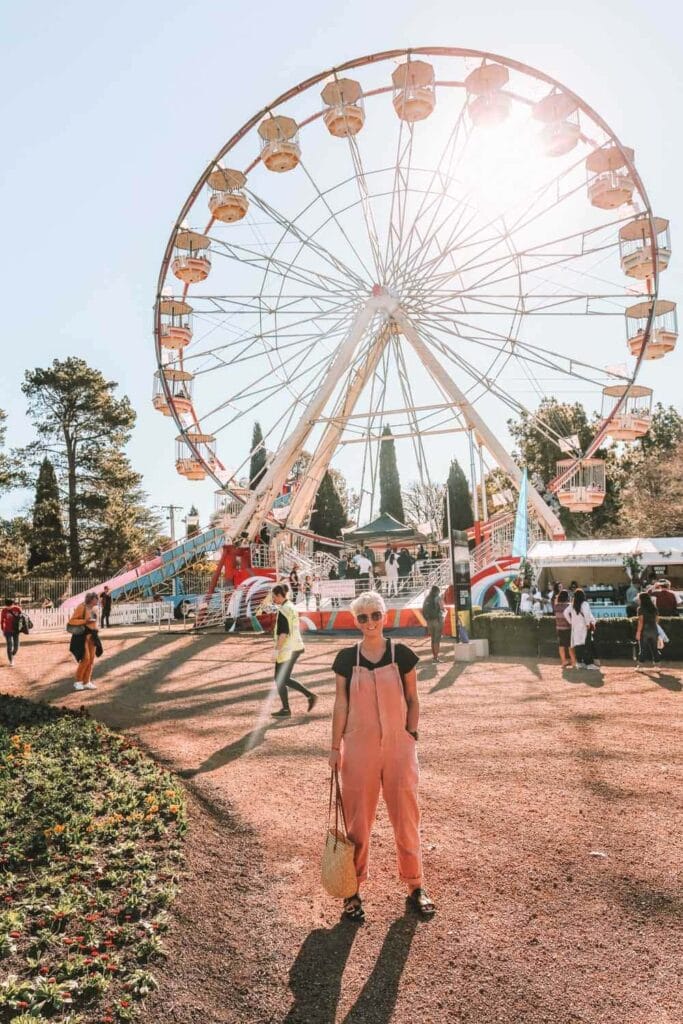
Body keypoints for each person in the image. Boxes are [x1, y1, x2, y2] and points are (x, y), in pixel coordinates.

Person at [329, 591, 435, 922]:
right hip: (358, 749)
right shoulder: (346, 659)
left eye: (376, 615)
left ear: (385, 617)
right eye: (363, 617)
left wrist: (410, 734)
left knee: (406, 817)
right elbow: (340, 704)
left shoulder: (402, 655)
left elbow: (413, 698)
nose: (370, 622)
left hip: (399, 748)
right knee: (357, 821)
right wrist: (334, 748)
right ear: (356, 622)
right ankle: (352, 889)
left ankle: (416, 885)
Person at [270, 584, 316, 718]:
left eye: (274, 597)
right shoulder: (291, 606)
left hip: (287, 649)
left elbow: (283, 634)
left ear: (279, 595)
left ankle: (287, 709)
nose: (273, 599)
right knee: (283, 678)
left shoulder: (283, 610)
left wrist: (276, 651)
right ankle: (308, 696)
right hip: (296, 646)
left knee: (280, 679)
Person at [68, 592, 102, 690]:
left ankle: (87, 681)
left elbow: (95, 621)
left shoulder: (95, 608)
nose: (97, 601)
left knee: (91, 660)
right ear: (90, 599)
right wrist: (85, 621)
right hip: (81, 636)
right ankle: (78, 681)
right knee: (86, 658)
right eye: (96, 599)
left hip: (93, 635)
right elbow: (72, 621)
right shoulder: (81, 607)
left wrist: (96, 628)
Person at [563, 588, 598, 670]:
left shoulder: (572, 604)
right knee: (587, 645)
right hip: (584, 627)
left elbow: (565, 613)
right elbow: (586, 614)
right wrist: (587, 624)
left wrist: (571, 622)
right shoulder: (585, 604)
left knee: (578, 646)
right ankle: (589, 664)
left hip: (576, 628)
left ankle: (580, 663)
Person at [635, 592, 660, 669]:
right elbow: (657, 620)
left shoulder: (640, 609)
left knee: (643, 649)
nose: (638, 600)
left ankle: (640, 666)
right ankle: (657, 666)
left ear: (642, 599)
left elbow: (641, 622)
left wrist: (638, 632)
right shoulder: (654, 608)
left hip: (644, 630)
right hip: (654, 629)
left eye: (639, 598)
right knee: (654, 649)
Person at [422, 585, 445, 662]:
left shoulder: (427, 598)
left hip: (429, 621)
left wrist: (427, 619)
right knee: (437, 640)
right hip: (437, 620)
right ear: (437, 591)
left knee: (432, 639)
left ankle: (434, 656)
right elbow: (442, 608)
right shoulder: (438, 598)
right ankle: (436, 658)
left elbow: (423, 610)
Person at [554, 589, 575, 668]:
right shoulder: (569, 605)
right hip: (568, 627)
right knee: (570, 645)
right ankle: (573, 661)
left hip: (559, 628)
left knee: (561, 645)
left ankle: (563, 661)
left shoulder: (556, 606)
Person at [2, 597, 22, 667]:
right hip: (7, 630)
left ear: (13, 604)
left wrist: (21, 628)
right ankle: (11, 660)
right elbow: (2, 620)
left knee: (16, 646)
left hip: (15, 630)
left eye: (10, 606)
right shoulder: (4, 610)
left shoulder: (17, 609)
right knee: (9, 645)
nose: (8, 607)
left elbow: (22, 618)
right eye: (7, 606)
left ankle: (12, 654)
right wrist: (3, 629)